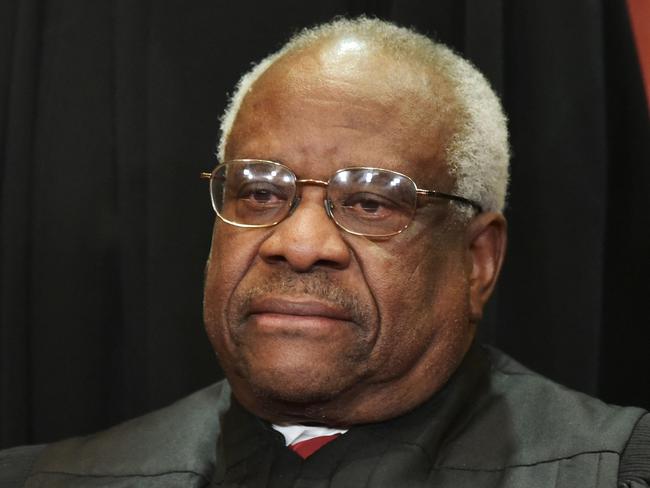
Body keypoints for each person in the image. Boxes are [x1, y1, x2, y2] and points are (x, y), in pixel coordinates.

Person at [2, 17, 648, 488]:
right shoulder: (50, 478)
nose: (298, 243)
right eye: (259, 192)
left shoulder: (612, 469)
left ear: (477, 260)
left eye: (371, 202)